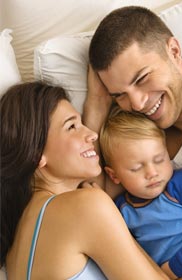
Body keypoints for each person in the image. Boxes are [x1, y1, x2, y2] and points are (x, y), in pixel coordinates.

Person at [0, 81, 170, 280]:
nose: (92, 134)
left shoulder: (17, 240)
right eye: (72, 126)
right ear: (36, 154)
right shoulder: (86, 206)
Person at [84, 5, 182, 186]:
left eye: (141, 78)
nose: (137, 104)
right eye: (120, 95)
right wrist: (96, 105)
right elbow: (96, 196)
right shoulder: (143, 139)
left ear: (174, 51)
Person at [99, 107, 182, 279]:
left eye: (159, 160)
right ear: (114, 175)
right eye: (136, 168)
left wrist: (175, 268)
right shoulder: (120, 209)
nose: (152, 173)